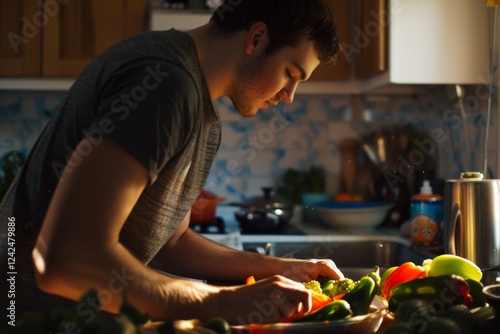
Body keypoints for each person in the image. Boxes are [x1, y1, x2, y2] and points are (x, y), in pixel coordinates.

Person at [0, 0, 343, 325]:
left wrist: (284, 269)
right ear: (256, 38)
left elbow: (170, 241)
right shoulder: (166, 84)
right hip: (22, 317)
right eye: (290, 73)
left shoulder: (201, 111)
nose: (289, 95)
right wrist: (219, 302)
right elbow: (67, 259)